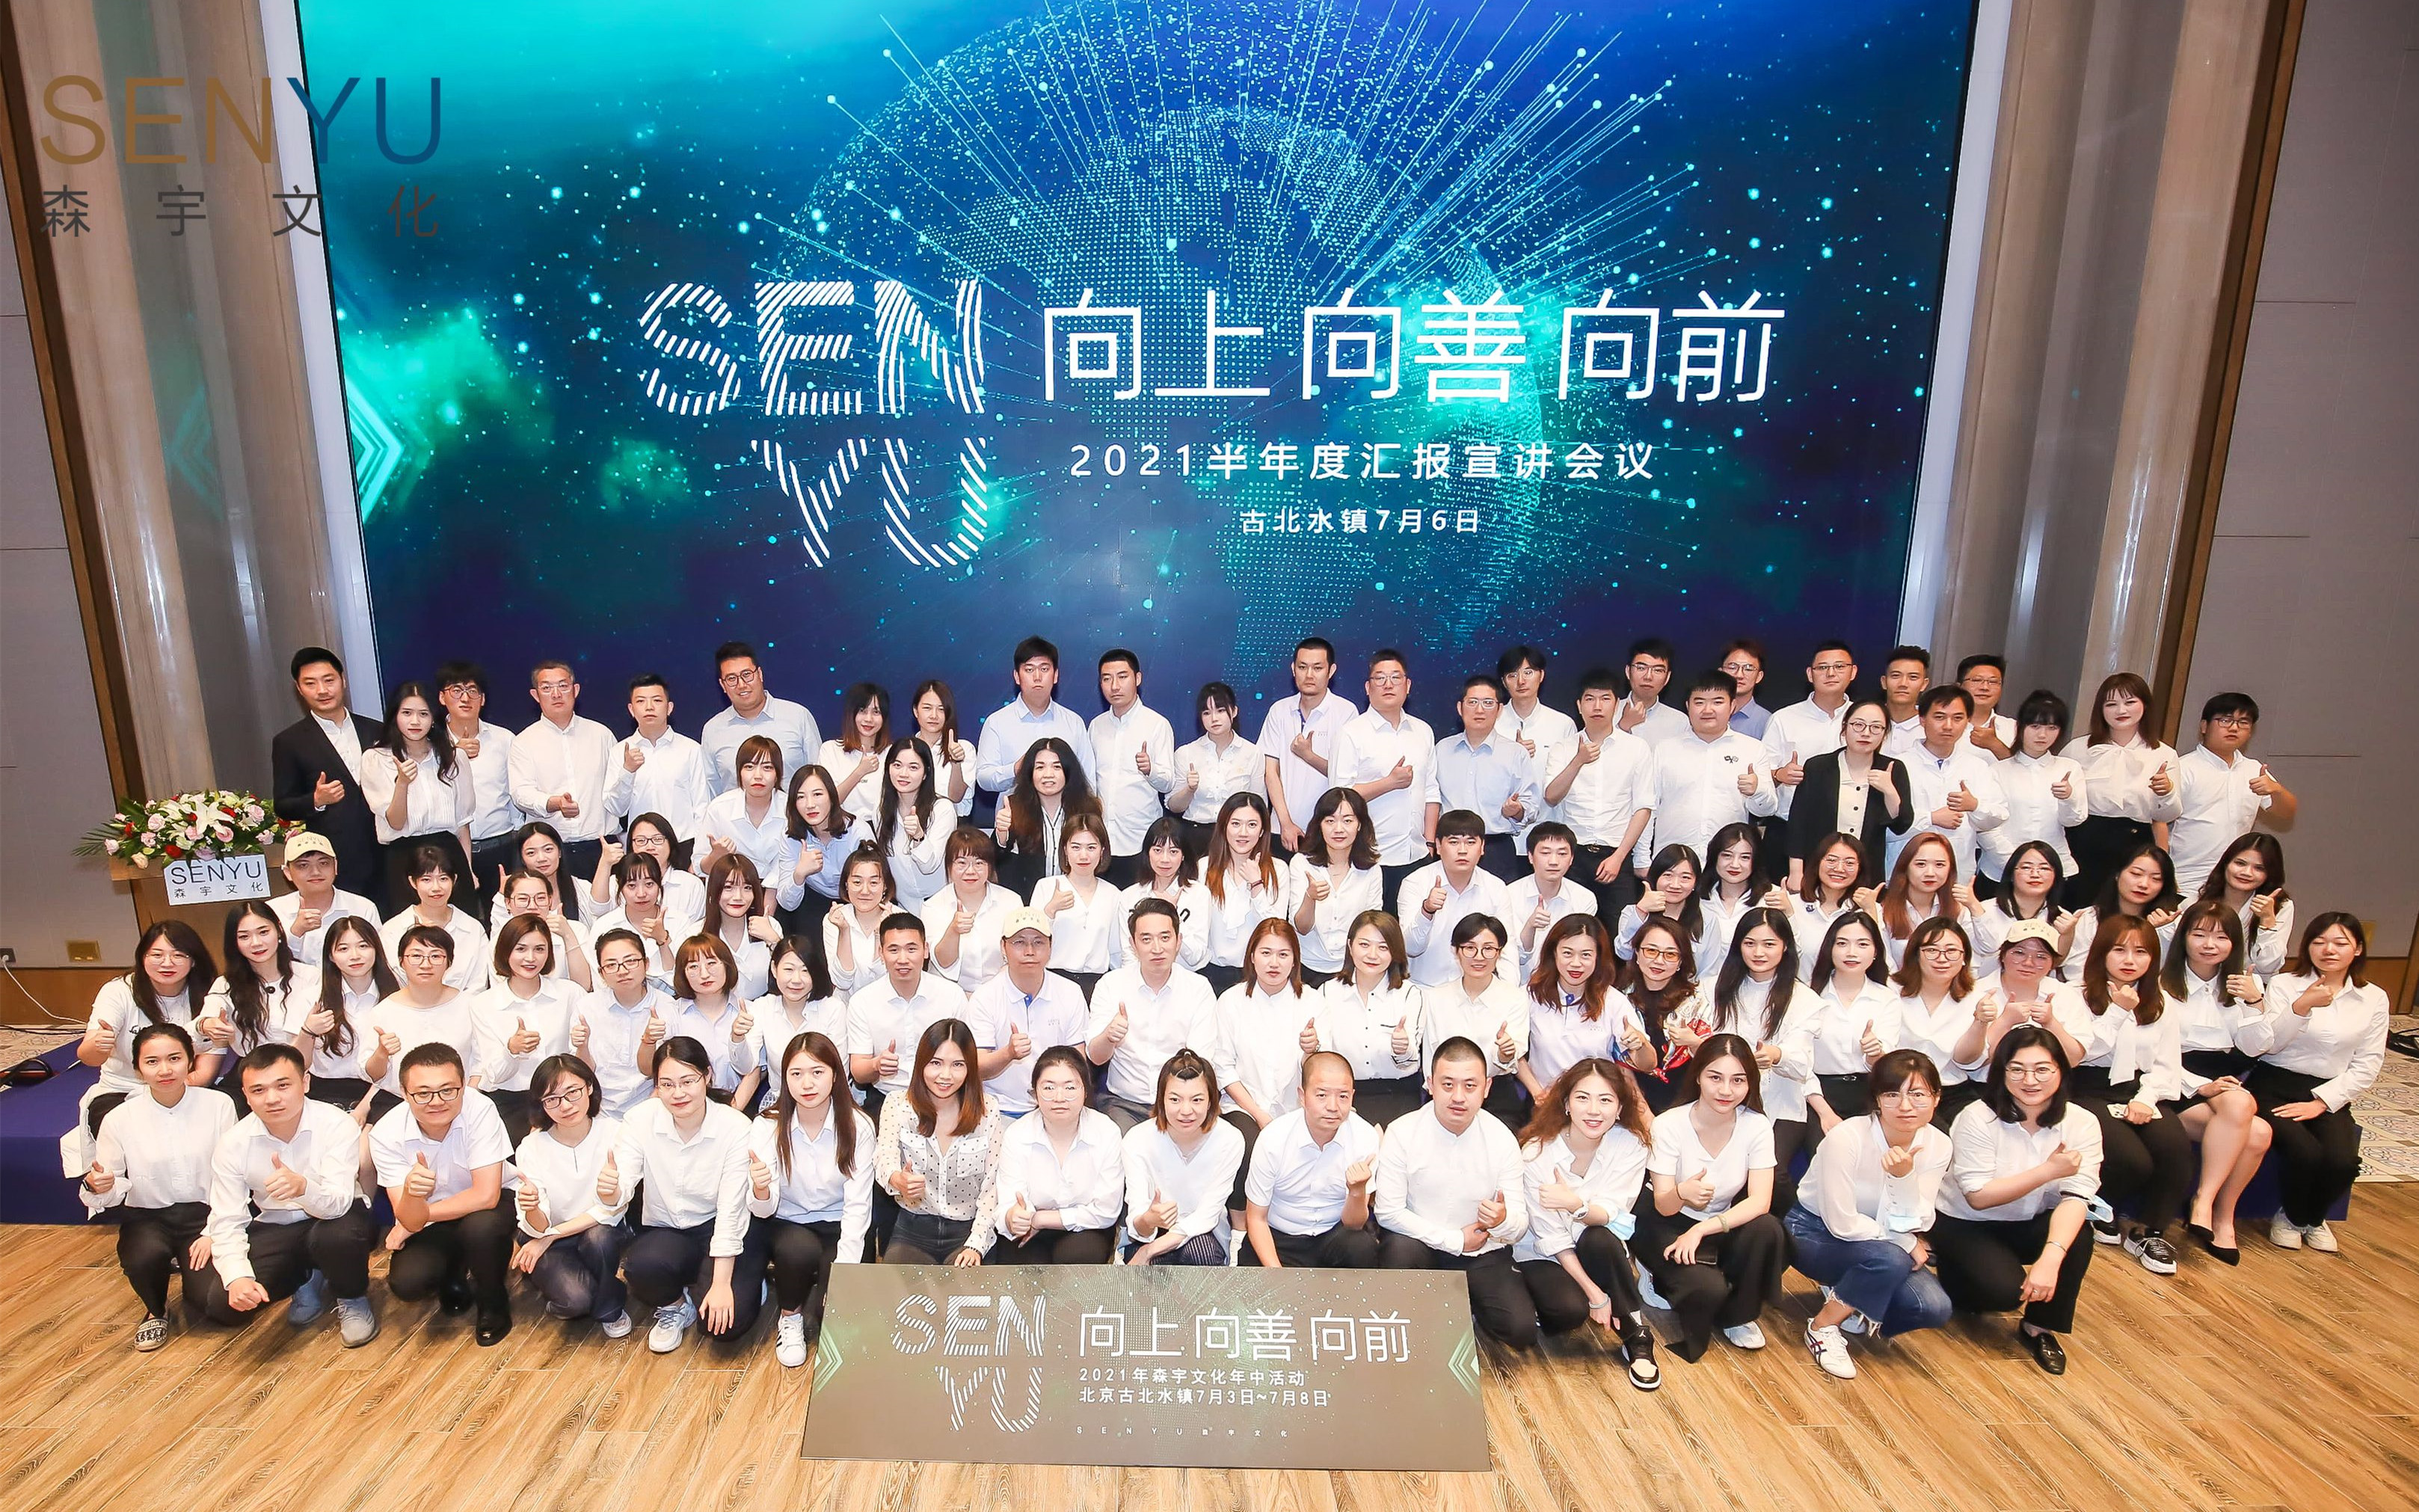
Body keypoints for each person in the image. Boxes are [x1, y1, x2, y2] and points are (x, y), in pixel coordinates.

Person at [1931, 1027, 2100, 1375]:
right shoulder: (1978, 1118)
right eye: (2017, 1069)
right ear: (2001, 1072)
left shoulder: (2082, 1122)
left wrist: (2051, 1258)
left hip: (2031, 1219)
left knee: (2078, 1235)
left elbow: (2077, 1195)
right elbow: (1978, 1197)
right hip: (1967, 1224)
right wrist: (2048, 1171)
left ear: (2061, 1071)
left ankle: (2040, 1326)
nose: (2030, 1080)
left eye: (2042, 1069)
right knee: (2000, 1296)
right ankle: (1956, 1273)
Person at [189, 1044, 380, 1345]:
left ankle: (352, 1297)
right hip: (277, 1224)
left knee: (337, 1238)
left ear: (305, 1083)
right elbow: (227, 1218)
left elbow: (339, 1202)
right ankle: (307, 1277)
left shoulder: (336, 1124)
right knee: (224, 1305)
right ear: (246, 1095)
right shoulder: (234, 1143)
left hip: (336, 1217)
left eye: (283, 1085)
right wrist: (238, 1277)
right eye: (259, 1090)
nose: (272, 1098)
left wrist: (303, 1188)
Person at [1787, 1050, 1955, 1377]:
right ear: (1877, 1099)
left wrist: (1903, 1178)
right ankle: (1822, 1327)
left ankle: (1851, 1294)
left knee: (1932, 1307)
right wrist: (1905, 1243)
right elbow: (1842, 1222)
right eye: (1892, 1095)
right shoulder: (1847, 1137)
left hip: (1882, 1242)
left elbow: (1919, 1219)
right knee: (1891, 1260)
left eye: (1918, 1095)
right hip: (1814, 1230)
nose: (1905, 1106)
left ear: (1936, 1098)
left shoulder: (1939, 1144)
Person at [80, 1023, 238, 1350]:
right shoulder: (119, 1119)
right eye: (152, 1062)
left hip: (205, 1216)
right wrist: (98, 1186)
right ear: (138, 1069)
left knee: (222, 1308)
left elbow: (232, 1176)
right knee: (144, 1257)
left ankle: (195, 1281)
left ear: (191, 1060)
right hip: (148, 1217)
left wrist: (214, 1231)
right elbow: (110, 1188)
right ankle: (156, 1308)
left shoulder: (219, 1105)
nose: (165, 1070)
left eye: (174, 1058)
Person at [1635, 1034, 1787, 1362]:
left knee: (1768, 1229)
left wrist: (1703, 1229)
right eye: (1715, 1078)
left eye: (1738, 1080)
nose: (1726, 1090)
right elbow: (1663, 1204)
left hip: (1716, 1222)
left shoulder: (1757, 1126)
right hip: (1666, 1221)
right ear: (1698, 1076)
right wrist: (1682, 1192)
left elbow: (1760, 1201)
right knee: (1706, 1290)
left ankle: (1738, 1315)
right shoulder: (1669, 1125)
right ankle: (1656, 1275)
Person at [1375, 1037, 1535, 1344]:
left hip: (1481, 1250)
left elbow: (1519, 1223)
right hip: (1421, 1244)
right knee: (1398, 1250)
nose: (1458, 1097)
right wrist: (1454, 1240)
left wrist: (1502, 1220)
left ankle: (1459, 1304)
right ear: (1430, 1084)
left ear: (1487, 1088)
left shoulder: (1502, 1139)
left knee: (1521, 1331)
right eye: (1448, 1085)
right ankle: (1436, 1309)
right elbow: (1388, 1212)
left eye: (1470, 1086)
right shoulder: (1402, 1132)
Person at [2246, 913, 2386, 1253]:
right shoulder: (2284, 984)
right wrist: (2301, 1007)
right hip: (2275, 1084)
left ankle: (2307, 1217)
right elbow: (2269, 1044)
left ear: (2358, 949)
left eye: (2340, 943)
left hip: (2329, 1091)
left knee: (2342, 1162)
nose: (2328, 950)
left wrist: (2321, 1103)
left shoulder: (2373, 997)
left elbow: (2368, 1063)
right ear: (2307, 946)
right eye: (2319, 942)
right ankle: (2294, 1218)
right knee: (2304, 1152)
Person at [1515, 1057, 1660, 1386]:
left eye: (1605, 1100)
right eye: (1583, 1098)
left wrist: (1576, 1206)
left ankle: (1636, 1335)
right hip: (1544, 1252)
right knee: (1569, 1311)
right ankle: (1534, 1295)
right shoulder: (1536, 1153)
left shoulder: (1631, 1144)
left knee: (1600, 1237)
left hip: (1597, 1245)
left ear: (1620, 1107)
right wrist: (1595, 1294)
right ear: (1566, 1103)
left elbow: (1612, 1214)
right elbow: (1551, 1236)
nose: (1594, 1110)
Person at [608, 1036, 757, 1351]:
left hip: (718, 1227)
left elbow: (731, 1212)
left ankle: (732, 1283)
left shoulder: (735, 1127)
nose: (678, 1093)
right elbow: (621, 1187)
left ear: (707, 1076)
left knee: (724, 1327)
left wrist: (721, 1284)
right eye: (667, 1084)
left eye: (688, 1081)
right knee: (641, 1266)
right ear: (656, 1086)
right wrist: (610, 1192)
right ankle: (675, 1305)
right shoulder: (640, 1119)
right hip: (668, 1230)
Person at [371, 1043, 515, 1345]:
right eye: (423, 1093)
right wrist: (412, 1199)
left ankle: (493, 1300)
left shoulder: (481, 1109)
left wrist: (418, 1217)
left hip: (484, 1209)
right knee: (408, 1282)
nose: (436, 1101)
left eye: (448, 1091)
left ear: (463, 1086)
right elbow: (410, 1217)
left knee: (482, 1228)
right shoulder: (385, 1134)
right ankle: (454, 1273)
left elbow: (486, 1195)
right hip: (432, 1219)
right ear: (404, 1092)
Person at [743, 1032, 874, 1363]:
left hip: (840, 1223)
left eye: (817, 1072)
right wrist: (761, 1189)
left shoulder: (858, 1126)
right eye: (796, 1074)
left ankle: (823, 1303)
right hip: (790, 1222)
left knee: (838, 1320)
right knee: (796, 1251)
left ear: (835, 1074)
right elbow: (764, 1210)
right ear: (784, 1078)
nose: (807, 1084)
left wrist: (843, 1278)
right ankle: (789, 1317)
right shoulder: (767, 1125)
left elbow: (858, 1205)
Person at [2070, 915, 2192, 1272]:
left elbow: (2167, 1064)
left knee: (2175, 1150)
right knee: (2131, 1159)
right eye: (2119, 950)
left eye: (2141, 952)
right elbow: (2083, 1052)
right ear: (2101, 952)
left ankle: (2149, 1232)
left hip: (2138, 1088)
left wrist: (2145, 1099)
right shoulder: (2076, 995)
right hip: (2087, 1087)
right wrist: (2118, 1011)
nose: (2130, 960)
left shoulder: (2161, 1001)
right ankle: (2098, 1209)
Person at [2159, 901, 2273, 1261]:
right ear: (2183, 938)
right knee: (2244, 1109)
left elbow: (2257, 1047)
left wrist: (2255, 1003)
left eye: (2222, 937)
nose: (2210, 944)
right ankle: (2206, 1203)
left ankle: (2221, 1214)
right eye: (2200, 934)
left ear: (2234, 944)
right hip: (2174, 1081)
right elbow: (2153, 1053)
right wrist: (2198, 1086)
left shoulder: (2243, 985)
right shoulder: (2161, 985)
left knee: (2260, 1132)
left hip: (2222, 1079)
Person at [1699, 909, 1817, 1208]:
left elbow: (1802, 1062)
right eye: (1750, 943)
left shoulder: (1804, 999)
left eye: (1769, 944)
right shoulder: (1712, 988)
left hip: (1780, 1102)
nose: (1758, 952)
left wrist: (1776, 1054)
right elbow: (1701, 1040)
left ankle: (1785, 1226)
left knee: (1771, 1173)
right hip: (1722, 1097)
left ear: (1785, 946)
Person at [510, 1054, 632, 1338]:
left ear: (589, 1087)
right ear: (541, 1104)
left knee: (599, 1239)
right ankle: (566, 1291)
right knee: (575, 1301)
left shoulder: (616, 1133)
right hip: (547, 1237)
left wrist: (550, 1236)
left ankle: (610, 1308)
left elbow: (610, 1209)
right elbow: (538, 1226)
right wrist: (532, 1209)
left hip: (596, 1230)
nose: (565, 1106)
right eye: (552, 1099)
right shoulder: (531, 1147)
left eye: (572, 1092)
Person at [876, 1019, 1003, 1264]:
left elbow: (992, 1187)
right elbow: (884, 1157)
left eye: (958, 1065)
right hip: (913, 1229)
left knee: (965, 1285)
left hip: (969, 1230)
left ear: (970, 1068)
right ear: (921, 1063)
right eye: (936, 1063)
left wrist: (976, 1245)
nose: (946, 1075)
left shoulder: (988, 1110)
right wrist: (897, 1179)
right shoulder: (897, 1104)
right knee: (899, 1287)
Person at [1211, 920, 1317, 1213]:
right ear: (1252, 957)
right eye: (1266, 953)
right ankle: (1240, 1226)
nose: (1274, 963)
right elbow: (1223, 1068)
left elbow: (1320, 1073)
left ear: (1295, 960)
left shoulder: (1312, 1001)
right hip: (1243, 1107)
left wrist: (1311, 1052)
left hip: (1296, 1109)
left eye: (1283, 954)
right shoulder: (1231, 1001)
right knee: (1245, 1144)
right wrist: (1259, 1115)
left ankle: (1289, 1222)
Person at [1242, 1051, 1383, 1269]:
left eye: (1343, 1096)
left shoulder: (1365, 1137)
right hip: (1279, 1237)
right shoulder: (1273, 1139)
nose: (1333, 1107)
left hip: (1334, 1234)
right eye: (1322, 1095)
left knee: (1361, 1246)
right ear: (1302, 1095)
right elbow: (1256, 1218)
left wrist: (1357, 1191)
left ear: (1353, 1096)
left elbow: (1354, 1224)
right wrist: (1278, 1275)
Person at [1086, 898, 1220, 1128]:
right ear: (1133, 944)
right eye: (1146, 939)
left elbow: (1200, 1061)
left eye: (1165, 938)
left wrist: (1177, 1105)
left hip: (1180, 1103)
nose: (1157, 948)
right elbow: (1096, 1057)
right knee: (1119, 1145)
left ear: (1178, 941)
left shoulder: (1199, 988)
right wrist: (1109, 1036)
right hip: (1123, 1104)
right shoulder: (1111, 985)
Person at [984, 1046, 1124, 1264]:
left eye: (1070, 1087)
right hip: (1029, 1229)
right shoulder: (1017, 1134)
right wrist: (1013, 1218)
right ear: (1035, 1092)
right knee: (1025, 1267)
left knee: (1078, 1257)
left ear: (1085, 1091)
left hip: (1085, 1227)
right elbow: (1009, 1203)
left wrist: (1041, 1219)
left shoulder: (1106, 1132)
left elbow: (1106, 1211)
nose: (1059, 1097)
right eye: (1049, 1088)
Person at [79, 921, 218, 1136]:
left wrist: (164, 1097)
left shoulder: (210, 995)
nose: (167, 963)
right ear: (142, 957)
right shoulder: (119, 991)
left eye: (178, 955)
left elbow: (205, 1073)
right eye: (157, 955)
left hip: (184, 1090)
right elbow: (88, 1057)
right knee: (127, 1131)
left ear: (194, 961)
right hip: (122, 1090)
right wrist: (98, 1046)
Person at [270, 647, 385, 901]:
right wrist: (316, 800)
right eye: (310, 683)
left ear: (343, 681)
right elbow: (283, 805)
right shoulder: (289, 742)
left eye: (328, 680)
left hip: (388, 852)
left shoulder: (377, 731)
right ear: (299, 689)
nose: (322, 690)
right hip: (337, 859)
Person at [1541, 666, 1656, 921]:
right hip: (1573, 855)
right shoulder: (1564, 748)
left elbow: (1643, 808)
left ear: (1616, 705)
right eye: (1590, 699)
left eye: (1605, 699)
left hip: (1616, 853)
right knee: (1572, 929)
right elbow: (1551, 796)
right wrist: (1578, 761)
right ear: (1579, 705)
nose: (1597, 706)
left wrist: (1619, 857)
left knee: (1620, 931)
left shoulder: (1636, 748)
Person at [2061, 672, 2182, 906]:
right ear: (2100, 709)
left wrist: (2166, 792)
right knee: (2077, 906)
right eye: (2111, 704)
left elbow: (2168, 815)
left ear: (2145, 705)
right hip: (2084, 841)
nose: (2121, 710)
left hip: (2135, 843)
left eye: (2130, 702)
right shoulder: (2078, 748)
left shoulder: (2163, 753)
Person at [1330, 648, 1441, 897]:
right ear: (1368, 688)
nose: (1388, 685)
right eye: (1380, 678)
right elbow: (1339, 797)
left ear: (1408, 685)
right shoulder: (1351, 733)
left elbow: (1431, 790)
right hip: (1370, 858)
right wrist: (1389, 783)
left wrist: (1429, 841)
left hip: (1418, 855)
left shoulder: (1423, 731)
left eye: (1396, 678)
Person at [1117, 1048, 1244, 1266]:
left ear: (1211, 1101)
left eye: (1197, 1100)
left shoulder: (1230, 1139)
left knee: (1200, 1254)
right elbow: (1138, 1222)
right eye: (1175, 1099)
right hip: (1150, 1234)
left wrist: (1150, 1251)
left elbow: (1207, 1214)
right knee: (1152, 1270)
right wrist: (1149, 1220)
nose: (1186, 1110)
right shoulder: (1137, 1139)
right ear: (1162, 1100)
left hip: (1203, 1234)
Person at [964, 909, 1092, 1117]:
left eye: (1038, 942)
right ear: (1003, 947)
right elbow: (975, 1067)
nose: (1030, 951)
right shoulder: (985, 997)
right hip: (998, 1109)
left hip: (1057, 1107)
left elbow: (1078, 1062)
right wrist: (1008, 1054)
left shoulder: (1070, 992)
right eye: (1019, 942)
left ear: (1050, 946)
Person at [2169, 692, 2297, 898]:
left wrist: (2277, 790)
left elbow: (2287, 813)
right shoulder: (2183, 768)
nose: (2234, 728)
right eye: (2225, 720)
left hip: (2233, 885)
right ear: (2204, 726)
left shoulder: (2254, 769)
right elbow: (2158, 822)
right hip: (2185, 880)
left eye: (2243, 722)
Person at [1642, 670, 1776, 867]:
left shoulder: (1752, 749)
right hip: (1672, 862)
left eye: (1717, 702)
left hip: (1727, 864)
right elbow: (1647, 808)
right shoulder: (1665, 749)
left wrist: (1757, 791)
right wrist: (1642, 858)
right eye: (1699, 702)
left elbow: (1768, 809)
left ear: (1732, 706)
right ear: (1688, 706)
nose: (1707, 710)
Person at [361, 680, 475, 912]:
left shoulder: (454, 757)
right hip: (404, 856)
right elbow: (395, 822)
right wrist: (402, 783)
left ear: (433, 718)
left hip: (449, 854)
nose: (415, 721)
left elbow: (463, 824)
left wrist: (469, 870)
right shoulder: (376, 759)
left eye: (423, 714)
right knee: (412, 929)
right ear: (395, 716)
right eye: (407, 713)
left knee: (461, 924)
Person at [506, 659, 618, 884]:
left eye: (563, 686)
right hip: (550, 852)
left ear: (575, 690)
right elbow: (520, 793)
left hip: (600, 846)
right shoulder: (524, 742)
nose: (556, 694)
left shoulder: (602, 735)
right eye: (547, 688)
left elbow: (617, 789)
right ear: (535, 695)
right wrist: (554, 802)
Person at [1310, 910, 1426, 1127]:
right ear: (1350, 946)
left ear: (1395, 951)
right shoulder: (1328, 992)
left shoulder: (1410, 994)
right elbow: (1324, 1054)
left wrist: (1403, 1049)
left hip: (1399, 1094)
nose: (1373, 955)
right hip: (1345, 1096)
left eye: (1383, 947)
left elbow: (1410, 1063)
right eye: (1364, 945)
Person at [846, 913, 968, 1112]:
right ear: (881, 953)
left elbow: (967, 1057)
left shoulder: (952, 995)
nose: (903, 959)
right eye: (893, 950)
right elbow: (858, 1070)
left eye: (912, 949)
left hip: (944, 1096)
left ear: (925, 950)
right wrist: (877, 1065)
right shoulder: (862, 1001)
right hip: (887, 1097)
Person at [1791, 912, 1899, 1131]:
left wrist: (1875, 1053)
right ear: (1830, 948)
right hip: (1816, 1095)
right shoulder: (1806, 995)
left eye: (1862, 944)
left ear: (1876, 951)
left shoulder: (1887, 998)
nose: (1852, 952)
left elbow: (1884, 1066)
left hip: (1870, 1093)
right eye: (1842, 943)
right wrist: (1825, 1113)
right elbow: (1798, 1062)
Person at [1786, 700, 1910, 888]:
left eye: (1876, 727)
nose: (1866, 733)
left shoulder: (1893, 769)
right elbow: (1798, 822)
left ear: (1885, 734)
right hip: (1819, 868)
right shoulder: (1818, 767)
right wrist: (1796, 872)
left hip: (1866, 872)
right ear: (1844, 728)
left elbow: (1901, 826)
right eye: (1858, 725)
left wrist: (1890, 792)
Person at [1419, 914, 1529, 1124]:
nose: (1479, 957)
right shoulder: (1435, 998)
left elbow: (1512, 1057)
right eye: (1470, 948)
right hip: (1446, 1093)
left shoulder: (1515, 998)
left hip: (1497, 1093)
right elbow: (1430, 1058)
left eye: (1488, 949)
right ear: (1456, 951)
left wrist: (1505, 1053)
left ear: (1499, 953)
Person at [1892, 685, 2008, 878]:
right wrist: (1931, 818)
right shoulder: (1899, 765)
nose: (1948, 726)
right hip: (1905, 872)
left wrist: (1974, 806)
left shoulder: (1977, 767)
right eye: (1939, 717)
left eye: (1957, 718)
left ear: (1968, 721)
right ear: (1922, 719)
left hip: (1958, 872)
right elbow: (1886, 825)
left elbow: (1999, 815)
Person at [1979, 691, 2086, 900]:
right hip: (2000, 871)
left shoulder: (2069, 767)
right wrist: (2017, 864)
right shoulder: (1997, 771)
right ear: (2020, 727)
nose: (2042, 735)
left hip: (2054, 869)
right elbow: (1986, 825)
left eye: (2052, 728)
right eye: (2035, 726)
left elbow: (2074, 820)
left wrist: (2068, 798)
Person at [1432, 673, 1540, 879]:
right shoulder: (1441, 749)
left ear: (1500, 710)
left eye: (1488, 703)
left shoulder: (1515, 753)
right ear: (1460, 708)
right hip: (1451, 846)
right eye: (1472, 702)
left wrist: (1517, 811)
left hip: (1496, 849)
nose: (1480, 710)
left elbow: (1531, 805)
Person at [362, 924, 476, 1118]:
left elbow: (480, 1065)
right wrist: (382, 1053)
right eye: (416, 956)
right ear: (401, 961)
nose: (426, 964)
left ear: (449, 962)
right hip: (398, 1105)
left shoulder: (470, 1005)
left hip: (460, 1104)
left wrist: (466, 1102)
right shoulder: (383, 1012)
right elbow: (372, 1075)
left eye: (436, 956)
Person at [437, 661, 523, 914]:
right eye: (456, 690)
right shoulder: (432, 744)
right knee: (460, 919)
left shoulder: (504, 739)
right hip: (451, 849)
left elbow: (515, 791)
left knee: (505, 918)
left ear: (483, 699)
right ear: (442, 698)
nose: (465, 698)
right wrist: (453, 753)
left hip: (501, 847)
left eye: (472, 691)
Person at [1889, 918, 1993, 1127]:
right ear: (1916, 954)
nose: (1942, 958)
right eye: (1932, 950)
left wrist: (1980, 1022)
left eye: (1952, 951)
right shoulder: (1891, 990)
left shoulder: (1978, 999)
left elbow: (1971, 1063)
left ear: (1964, 958)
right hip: (1898, 1089)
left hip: (1953, 1092)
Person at [1261, 636, 1359, 853]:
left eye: (1318, 668)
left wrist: (1309, 756)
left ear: (1331, 671)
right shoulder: (1279, 710)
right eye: (1303, 667)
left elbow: (1345, 776)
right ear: (1293, 669)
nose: (1309, 675)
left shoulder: (1346, 712)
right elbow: (1270, 772)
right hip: (1281, 829)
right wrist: (1285, 823)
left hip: (1329, 831)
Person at [1762, 640, 1858, 861]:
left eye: (1839, 667)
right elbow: (1760, 774)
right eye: (1822, 667)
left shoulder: (1864, 718)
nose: (1831, 673)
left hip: (1847, 833)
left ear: (1853, 672)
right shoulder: (1784, 719)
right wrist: (1779, 775)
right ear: (1810, 674)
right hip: (1789, 828)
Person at [1089, 648, 1177, 883]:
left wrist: (1150, 770)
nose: (1114, 686)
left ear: (1137, 678)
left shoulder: (1157, 724)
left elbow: (1168, 783)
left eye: (1122, 677)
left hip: (1141, 842)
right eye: (1107, 679)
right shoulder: (1096, 726)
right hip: (1102, 843)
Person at [1399, 810, 1515, 989]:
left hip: (1476, 991)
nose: (1462, 850)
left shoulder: (1496, 887)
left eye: (1471, 842)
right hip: (1424, 989)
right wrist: (1427, 911)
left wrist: (1508, 993)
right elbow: (1410, 948)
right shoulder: (1415, 882)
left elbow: (1507, 949)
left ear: (1482, 847)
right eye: (1454, 842)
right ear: (1438, 846)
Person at [738, 934, 849, 1113]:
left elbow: (840, 1071)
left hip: (827, 1104)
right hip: (779, 1104)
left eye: (805, 970)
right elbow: (746, 1067)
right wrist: (738, 1038)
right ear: (774, 969)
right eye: (789, 969)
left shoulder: (833, 1009)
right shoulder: (762, 1007)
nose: (796, 979)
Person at [578, 929, 681, 1117]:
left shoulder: (668, 1006)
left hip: (656, 1109)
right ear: (601, 973)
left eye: (631, 961)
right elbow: (583, 1072)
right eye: (611, 965)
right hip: (599, 1112)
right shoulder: (587, 1007)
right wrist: (582, 1046)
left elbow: (675, 1069)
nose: (623, 971)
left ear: (646, 964)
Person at [199, 900, 313, 1070]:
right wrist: (205, 1024)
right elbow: (205, 1020)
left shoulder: (310, 976)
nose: (256, 943)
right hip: (252, 1072)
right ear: (234, 943)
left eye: (263, 932)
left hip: (304, 1070)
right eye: (244, 937)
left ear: (279, 930)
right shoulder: (225, 984)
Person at [976, 635, 1098, 793]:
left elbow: (1088, 780)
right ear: (1017, 676)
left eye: (1044, 669)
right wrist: (1015, 769)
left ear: (1055, 675)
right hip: (1015, 809)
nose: (1037, 677)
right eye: (1029, 670)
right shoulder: (996, 722)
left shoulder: (1074, 722)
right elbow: (983, 777)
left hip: (1065, 810)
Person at [1193, 793, 1288, 995]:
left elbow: (1276, 931)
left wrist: (1257, 885)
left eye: (1252, 825)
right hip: (1209, 973)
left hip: (1256, 976)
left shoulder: (1278, 870)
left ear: (1262, 831)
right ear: (1224, 827)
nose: (1243, 833)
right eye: (1236, 824)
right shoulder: (1204, 867)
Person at [701, 641, 823, 799]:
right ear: (722, 685)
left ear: (760, 674)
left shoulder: (798, 716)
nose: (741, 685)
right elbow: (712, 792)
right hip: (736, 815)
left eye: (747, 675)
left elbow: (819, 777)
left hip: (793, 814)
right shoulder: (712, 730)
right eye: (731, 679)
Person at [1287, 787, 1383, 986]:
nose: (1339, 829)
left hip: (1351, 967)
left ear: (1359, 825)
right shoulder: (1301, 863)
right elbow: (1301, 928)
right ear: (1319, 825)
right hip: (1306, 966)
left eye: (1348, 821)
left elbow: (1371, 926)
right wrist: (1310, 897)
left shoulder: (1372, 870)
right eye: (1330, 821)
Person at [1519, 915, 1624, 1095]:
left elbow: (1646, 1063)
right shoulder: (1530, 995)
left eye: (1586, 955)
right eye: (1567, 953)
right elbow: (1515, 1054)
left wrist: (1639, 1044)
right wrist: (1538, 1095)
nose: (1576, 964)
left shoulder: (1613, 1000)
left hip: (1596, 1101)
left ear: (1598, 957)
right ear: (1554, 953)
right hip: (1544, 1100)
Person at [296, 917, 390, 1117]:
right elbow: (298, 1064)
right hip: (325, 1094)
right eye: (343, 949)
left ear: (377, 949)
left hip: (383, 1092)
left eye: (363, 946)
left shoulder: (397, 996)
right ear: (331, 956)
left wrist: (364, 1108)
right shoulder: (312, 998)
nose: (355, 956)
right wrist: (308, 1031)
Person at [605, 673, 712, 846]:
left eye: (656, 700)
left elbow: (702, 806)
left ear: (669, 708)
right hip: (640, 846)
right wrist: (627, 772)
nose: (649, 707)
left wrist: (701, 852)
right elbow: (616, 809)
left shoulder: (691, 749)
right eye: (641, 701)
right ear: (631, 710)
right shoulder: (619, 752)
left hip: (683, 844)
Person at [651, 936, 759, 1099]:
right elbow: (658, 1071)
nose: (704, 974)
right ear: (683, 973)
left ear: (727, 965)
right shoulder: (672, 1012)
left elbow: (748, 1069)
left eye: (711, 963)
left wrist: (738, 1038)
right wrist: (648, 1040)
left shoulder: (750, 1012)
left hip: (734, 1102)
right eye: (693, 966)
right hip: (682, 1100)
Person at [1169, 681, 1267, 859]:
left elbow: (1259, 805)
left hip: (1237, 837)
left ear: (1234, 711)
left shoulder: (1252, 753)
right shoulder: (1185, 753)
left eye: (1221, 710)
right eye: (1207, 713)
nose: (1214, 718)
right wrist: (1190, 790)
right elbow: (1174, 806)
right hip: (1196, 834)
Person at [381, 843, 491, 995]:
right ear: (413, 882)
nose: (436, 888)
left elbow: (478, 984)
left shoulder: (473, 928)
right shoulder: (393, 929)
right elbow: (395, 981)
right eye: (426, 879)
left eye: (443, 878)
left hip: (464, 1007)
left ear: (454, 880)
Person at [1033, 812, 1122, 995]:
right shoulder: (1046, 887)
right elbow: (1033, 941)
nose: (1083, 855)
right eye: (1076, 847)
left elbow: (1116, 952)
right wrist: (1050, 911)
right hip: (1052, 981)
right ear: (1065, 850)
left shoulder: (1113, 894)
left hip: (1097, 985)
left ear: (1102, 851)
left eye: (1091, 847)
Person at [2061, 843, 2184, 975]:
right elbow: (2076, 971)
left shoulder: (2172, 923)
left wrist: (2161, 934)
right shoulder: (2089, 919)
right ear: (2118, 874)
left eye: (2156, 879)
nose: (2144, 884)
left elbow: (2173, 973)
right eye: (2136, 874)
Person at [993, 737, 1094, 897]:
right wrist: (1002, 834)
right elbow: (994, 858)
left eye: (1057, 767)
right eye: (1040, 767)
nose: (1048, 774)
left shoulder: (1087, 808)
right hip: (1028, 900)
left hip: (1075, 897)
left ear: (1068, 771)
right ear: (1030, 772)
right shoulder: (1015, 806)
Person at [923, 829, 1020, 993]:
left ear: (990, 867)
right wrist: (953, 931)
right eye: (962, 863)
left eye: (979, 863)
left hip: (999, 992)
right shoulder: (933, 906)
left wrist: (989, 994)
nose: (970, 871)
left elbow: (1018, 954)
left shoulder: (1011, 902)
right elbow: (943, 963)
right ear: (949, 866)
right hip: (950, 995)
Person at [1694, 823, 1793, 980]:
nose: (1735, 864)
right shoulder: (1696, 898)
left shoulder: (1773, 897)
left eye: (1745, 857)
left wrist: (1789, 914)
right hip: (1701, 986)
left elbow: (1794, 953)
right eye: (1727, 855)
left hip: (1754, 986)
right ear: (1715, 857)